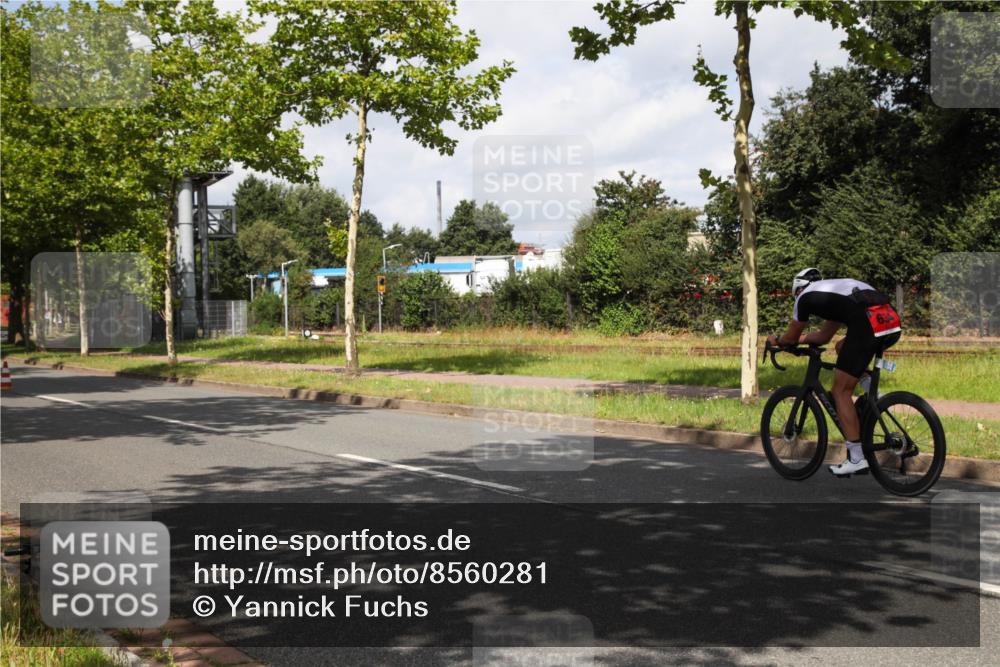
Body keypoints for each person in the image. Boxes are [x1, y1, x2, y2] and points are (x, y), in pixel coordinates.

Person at [767, 268, 901, 477]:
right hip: (890, 320)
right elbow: (823, 337)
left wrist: (778, 341)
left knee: (840, 391)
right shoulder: (834, 293)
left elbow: (791, 336)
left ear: (798, 289)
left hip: (866, 325)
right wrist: (801, 341)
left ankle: (856, 458)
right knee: (841, 348)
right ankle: (874, 397)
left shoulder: (804, 297)